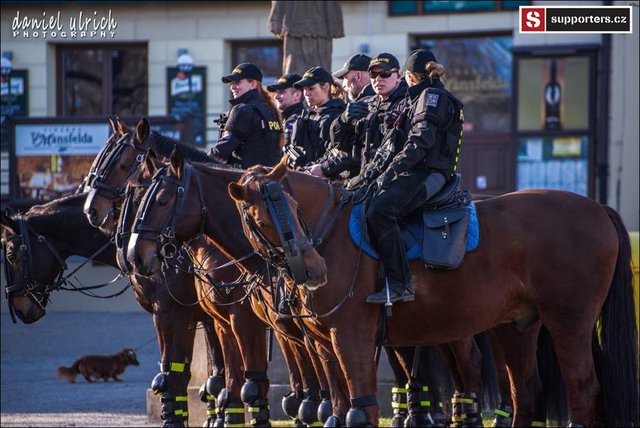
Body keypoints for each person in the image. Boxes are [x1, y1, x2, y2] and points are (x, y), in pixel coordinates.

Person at [363, 49, 464, 304]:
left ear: (408, 76)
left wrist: (388, 175)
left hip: (428, 173)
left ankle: (400, 285)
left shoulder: (431, 97)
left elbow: (419, 144)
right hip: (420, 171)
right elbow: (395, 143)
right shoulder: (420, 96)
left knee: (380, 212)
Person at [210, 63, 283, 169]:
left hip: (247, 180)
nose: (232, 87)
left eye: (237, 82)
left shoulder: (243, 110)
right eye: (232, 83)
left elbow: (222, 150)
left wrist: (196, 162)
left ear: (253, 84)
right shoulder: (270, 110)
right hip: (270, 179)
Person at [285, 66, 345, 169]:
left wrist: (319, 168)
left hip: (326, 179)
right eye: (304, 89)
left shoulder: (338, 115)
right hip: (303, 176)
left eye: (311, 88)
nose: (307, 93)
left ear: (326, 87)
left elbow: (338, 152)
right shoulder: (306, 115)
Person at [268, 1, 344, 75]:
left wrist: (275, 21)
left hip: (319, 27)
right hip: (296, 25)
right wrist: (275, 20)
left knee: (319, 72)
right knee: (294, 72)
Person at [266, 73, 304, 153]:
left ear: (297, 95)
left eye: (281, 92)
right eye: (276, 92)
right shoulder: (278, 119)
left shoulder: (301, 120)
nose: (276, 96)